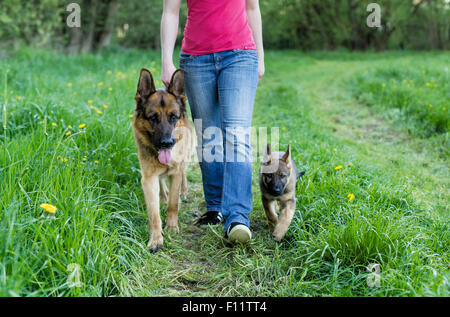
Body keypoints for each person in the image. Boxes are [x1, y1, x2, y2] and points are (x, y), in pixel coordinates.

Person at [160, 0, 264, 243]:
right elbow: (170, 11)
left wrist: (260, 56)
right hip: (196, 61)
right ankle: (215, 207)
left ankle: (237, 216)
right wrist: (166, 59)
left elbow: (252, 7)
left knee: (236, 135)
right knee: (208, 136)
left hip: (240, 55)